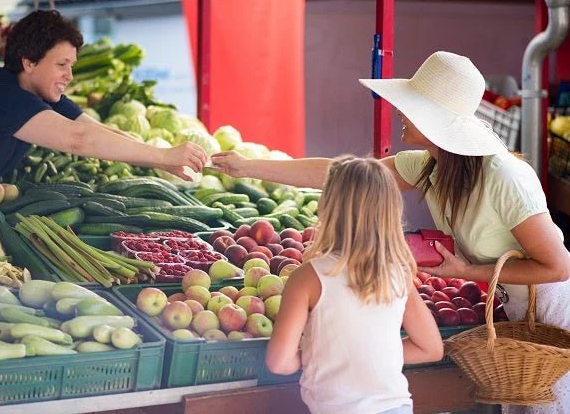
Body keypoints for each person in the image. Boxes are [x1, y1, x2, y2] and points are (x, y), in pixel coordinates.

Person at [214, 51, 570, 414]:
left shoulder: (505, 178)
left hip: (552, 317)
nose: (400, 111)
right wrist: (246, 167)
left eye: (411, 106)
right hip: (507, 307)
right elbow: (343, 175)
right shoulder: (433, 165)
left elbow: (557, 268)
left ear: (435, 122)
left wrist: (466, 272)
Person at [0, 10, 207, 196]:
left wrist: (160, 160)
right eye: (62, 65)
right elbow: (77, 140)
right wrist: (161, 155)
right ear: (29, 61)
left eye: (72, 65)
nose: (70, 75)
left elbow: (94, 128)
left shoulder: (39, 93)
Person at [265, 155, 443, 414]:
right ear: (391, 213)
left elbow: (279, 362)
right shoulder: (398, 273)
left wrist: (320, 357)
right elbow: (431, 348)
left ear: (326, 206)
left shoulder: (308, 277)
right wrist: (374, 357)